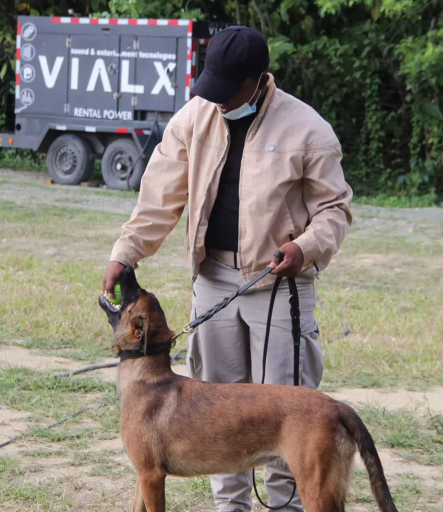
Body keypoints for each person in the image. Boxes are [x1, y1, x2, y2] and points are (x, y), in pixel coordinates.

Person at [102, 26, 352, 512]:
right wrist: (125, 252)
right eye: (209, 86)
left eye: (226, 90)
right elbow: (159, 197)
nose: (216, 100)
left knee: (285, 416)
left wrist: (304, 247)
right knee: (212, 423)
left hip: (277, 287)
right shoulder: (195, 117)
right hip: (213, 280)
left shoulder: (307, 129)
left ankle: (286, 507)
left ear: (256, 81)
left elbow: (335, 210)